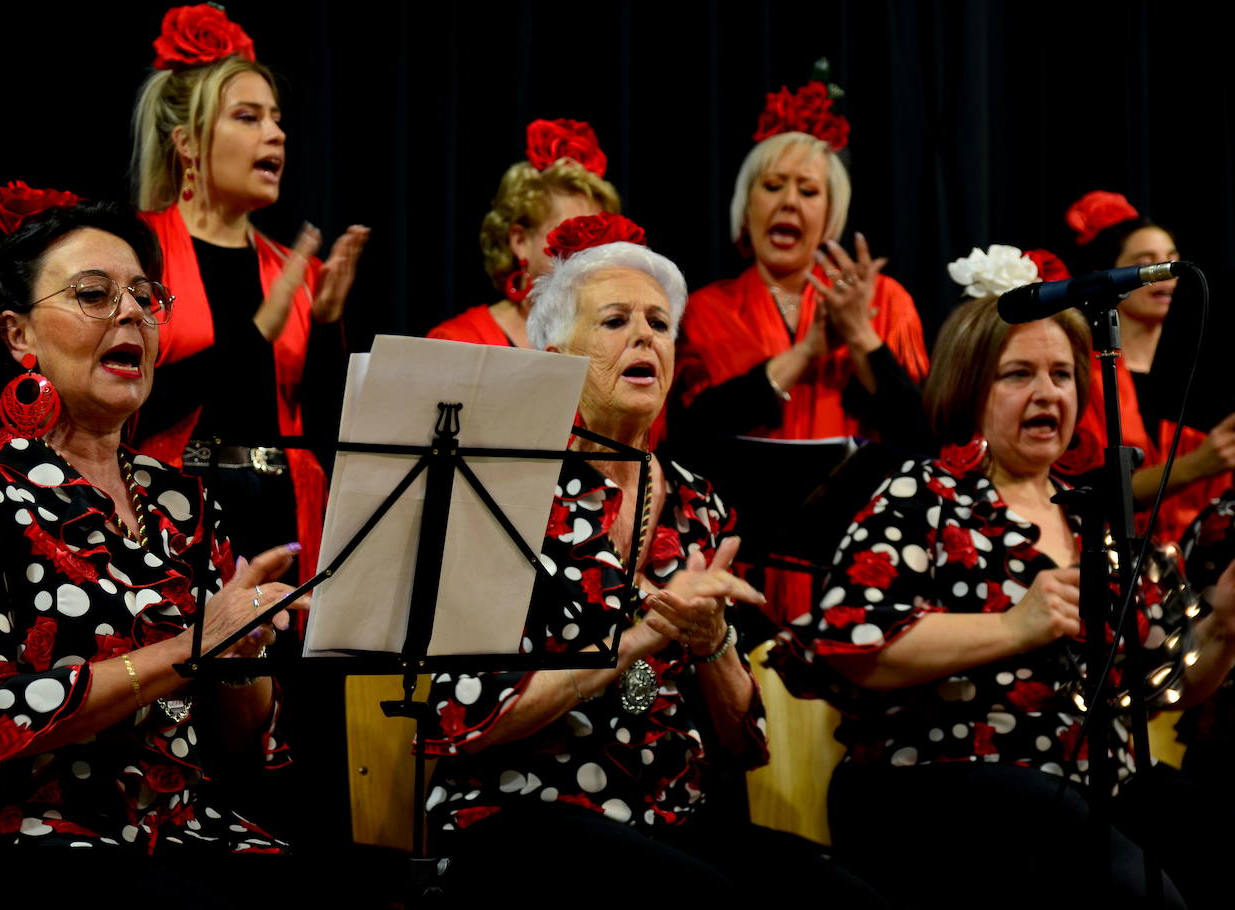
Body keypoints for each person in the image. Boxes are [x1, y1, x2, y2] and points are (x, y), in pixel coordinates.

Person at [422, 214, 885, 908]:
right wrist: (640, 638)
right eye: (615, 321)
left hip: (670, 818)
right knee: (699, 904)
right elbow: (468, 720)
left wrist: (714, 642)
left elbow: (744, 746)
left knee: (850, 908)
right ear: (553, 358)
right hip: (518, 818)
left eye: (660, 324)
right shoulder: (499, 493)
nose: (645, 337)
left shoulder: (702, 506)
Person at [771, 288, 1235, 908]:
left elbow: (1155, 687)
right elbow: (849, 643)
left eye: (1063, 375)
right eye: (1019, 373)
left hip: (1094, 785)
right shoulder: (927, 493)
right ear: (971, 387)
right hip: (938, 779)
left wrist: (1227, 629)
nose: (1048, 393)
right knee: (1129, 886)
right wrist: (1018, 627)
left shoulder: (1096, 521)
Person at [0, 201, 301, 854]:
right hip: (12, 829)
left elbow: (214, 742)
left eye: (145, 298)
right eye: (94, 294)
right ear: (20, 337)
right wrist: (187, 649)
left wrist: (236, 661)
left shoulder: (182, 505)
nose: (131, 313)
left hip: (171, 830)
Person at [129, 4, 369, 574]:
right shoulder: (137, 251)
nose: (276, 133)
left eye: (277, 118)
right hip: (172, 516)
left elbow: (322, 429)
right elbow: (131, 404)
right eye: (248, 116)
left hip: (284, 520)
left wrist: (329, 322)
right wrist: (258, 329)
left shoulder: (298, 270)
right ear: (187, 143)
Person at [673, 82, 929, 450]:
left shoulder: (886, 301)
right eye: (773, 186)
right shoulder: (705, 311)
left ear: (829, 214)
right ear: (746, 209)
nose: (789, 202)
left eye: (808, 191)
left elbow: (919, 435)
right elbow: (690, 436)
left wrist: (859, 333)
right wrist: (805, 353)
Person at [1062, 190, 1233, 545]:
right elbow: (1081, 493)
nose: (1167, 273)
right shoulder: (1082, 377)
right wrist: (1197, 465)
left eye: (1172, 260)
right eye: (1147, 262)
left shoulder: (1203, 372)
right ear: (1104, 276)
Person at [427, 118, 620, 347]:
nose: (587, 256)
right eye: (569, 238)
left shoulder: (610, 337)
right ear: (520, 240)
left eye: (598, 241)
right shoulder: (459, 341)